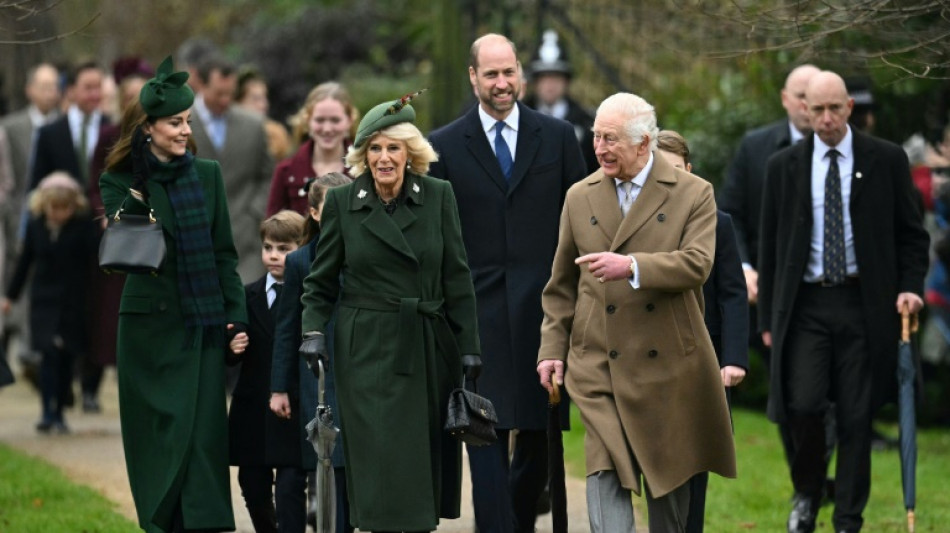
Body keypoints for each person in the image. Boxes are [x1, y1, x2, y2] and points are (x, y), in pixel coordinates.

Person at [536, 92, 736, 533]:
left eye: (611, 139)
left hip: (668, 364)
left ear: (644, 143)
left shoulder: (693, 193)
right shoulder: (579, 196)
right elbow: (561, 287)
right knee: (603, 471)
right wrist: (551, 350)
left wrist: (632, 267)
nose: (600, 148)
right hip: (598, 362)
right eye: (596, 137)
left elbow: (699, 263)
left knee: (669, 496)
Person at [757, 70, 930, 533]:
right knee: (805, 406)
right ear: (803, 111)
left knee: (857, 416)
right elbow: (770, 249)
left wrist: (910, 286)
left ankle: (849, 518)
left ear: (850, 107)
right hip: (807, 306)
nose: (827, 118)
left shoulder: (886, 160)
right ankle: (809, 492)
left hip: (864, 305)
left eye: (835, 108)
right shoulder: (784, 167)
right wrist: (768, 318)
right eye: (817, 110)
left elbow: (913, 237)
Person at [427, 33, 586, 533]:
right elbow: (439, 237)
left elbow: (580, 221)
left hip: (546, 313)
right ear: (473, 77)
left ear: (521, 73)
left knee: (540, 434)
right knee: (484, 432)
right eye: (491, 73)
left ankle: (515, 521)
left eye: (509, 71)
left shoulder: (558, 138)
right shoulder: (445, 146)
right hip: (477, 315)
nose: (502, 82)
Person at [299, 97, 481, 533]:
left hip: (426, 343)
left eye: (394, 148)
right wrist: (312, 332)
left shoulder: (439, 196)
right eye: (375, 149)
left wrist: (470, 346)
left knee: (418, 459)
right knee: (379, 458)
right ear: (363, 155)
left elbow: (458, 277)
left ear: (410, 154)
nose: (384, 158)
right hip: (367, 349)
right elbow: (320, 282)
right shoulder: (343, 202)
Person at [99, 56, 246, 533]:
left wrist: (235, 317)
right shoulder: (119, 179)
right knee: (154, 437)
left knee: (203, 437)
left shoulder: (207, 175)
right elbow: (128, 240)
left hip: (199, 324)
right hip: (147, 328)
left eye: (187, 121)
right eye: (175, 123)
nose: (185, 131)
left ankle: (204, 524)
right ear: (147, 129)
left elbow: (224, 253)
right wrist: (142, 179)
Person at [718, 63, 821, 472]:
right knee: (789, 383)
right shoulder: (756, 147)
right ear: (786, 99)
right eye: (801, 96)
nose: (809, 106)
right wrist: (743, 266)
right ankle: (806, 477)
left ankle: (818, 474)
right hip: (770, 287)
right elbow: (731, 213)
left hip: (825, 287)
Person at [656, 129, 748, 533]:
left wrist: (732, 358)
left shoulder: (717, 222)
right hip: (652, 357)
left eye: (676, 170)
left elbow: (732, 291)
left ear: (690, 171)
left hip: (703, 358)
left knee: (697, 457)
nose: (670, 180)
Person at [271, 172, 352, 533]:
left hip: (361, 367)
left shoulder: (369, 253)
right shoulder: (300, 261)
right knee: (326, 460)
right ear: (315, 212)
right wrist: (278, 387)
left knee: (354, 464)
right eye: (331, 208)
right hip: (317, 374)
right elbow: (287, 328)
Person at [227, 209, 306, 533]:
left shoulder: (308, 296)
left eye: (284, 249)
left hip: (292, 406)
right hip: (253, 407)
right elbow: (231, 341)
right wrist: (231, 344)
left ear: (301, 248)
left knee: (290, 485)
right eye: (269, 247)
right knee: (252, 482)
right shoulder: (247, 295)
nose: (274, 256)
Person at [2, 172, 96, 434]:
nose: (59, 214)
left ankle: (59, 412)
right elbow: (24, 263)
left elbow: (96, 262)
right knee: (47, 357)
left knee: (66, 359)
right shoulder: (35, 226)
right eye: (54, 208)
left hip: (72, 303)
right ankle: (46, 412)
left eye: (64, 208)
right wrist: (10, 296)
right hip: (43, 301)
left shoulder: (82, 228)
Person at [189, 55, 273, 282]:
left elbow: (267, 176)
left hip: (246, 243)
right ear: (202, 85)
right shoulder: (181, 125)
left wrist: (255, 212)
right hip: (193, 238)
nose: (225, 100)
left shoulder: (254, 125)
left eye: (230, 93)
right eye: (219, 93)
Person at [265, 82, 357, 217]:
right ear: (307, 121)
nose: (327, 129)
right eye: (320, 120)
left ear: (349, 121)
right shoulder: (285, 172)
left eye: (335, 120)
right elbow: (273, 230)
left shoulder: (367, 169)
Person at [522, 29, 598, 174]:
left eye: (556, 77)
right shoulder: (519, 117)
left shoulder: (586, 122)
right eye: (544, 77)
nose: (550, 84)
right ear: (535, 82)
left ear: (566, 81)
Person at [31, 60, 107, 189]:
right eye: (88, 88)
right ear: (71, 90)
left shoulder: (113, 129)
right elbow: (37, 186)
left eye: (98, 87)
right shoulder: (49, 134)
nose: (95, 94)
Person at [235, 67, 292, 162]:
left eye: (264, 98)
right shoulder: (226, 133)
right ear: (238, 102)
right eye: (256, 99)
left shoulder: (277, 134)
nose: (264, 105)